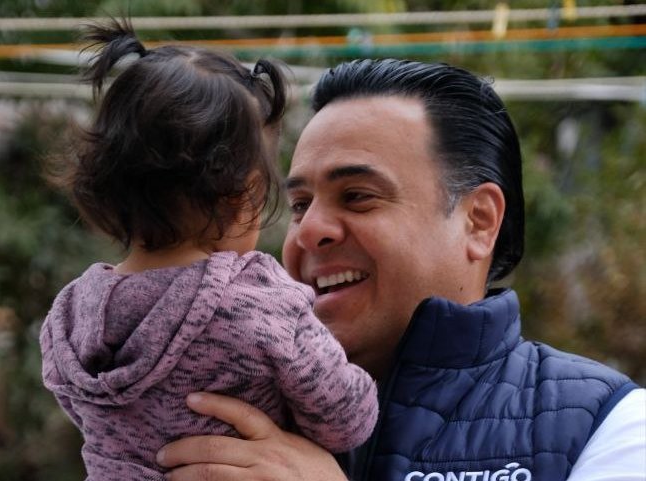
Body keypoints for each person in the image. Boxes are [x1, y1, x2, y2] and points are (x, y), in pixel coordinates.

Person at [157, 59, 645, 480]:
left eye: (357, 196)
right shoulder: (197, 401)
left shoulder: (609, 425)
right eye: (301, 204)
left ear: (479, 221)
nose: (309, 231)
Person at [38, 21, 378, 480]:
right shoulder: (259, 300)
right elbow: (345, 419)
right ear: (244, 195)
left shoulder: (70, 314)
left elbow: (83, 413)